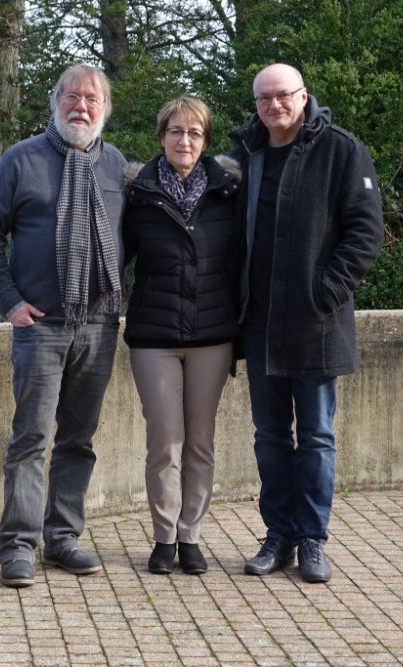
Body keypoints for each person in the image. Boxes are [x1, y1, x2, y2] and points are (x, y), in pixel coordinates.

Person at [0, 64, 127, 588]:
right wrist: (10, 302)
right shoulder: (22, 160)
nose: (81, 107)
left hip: (100, 325)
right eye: (72, 98)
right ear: (55, 102)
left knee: (78, 439)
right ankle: (18, 545)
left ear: (104, 110)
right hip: (40, 327)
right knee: (31, 437)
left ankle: (62, 538)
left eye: (92, 100)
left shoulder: (117, 166)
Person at [230, 64, 385, 583]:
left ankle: (313, 538)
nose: (273, 106)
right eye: (263, 99)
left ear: (303, 96)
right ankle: (279, 537)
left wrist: (326, 291)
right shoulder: (246, 153)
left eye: (283, 96)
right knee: (270, 436)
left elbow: (365, 233)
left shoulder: (342, 149)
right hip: (259, 322)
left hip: (315, 322)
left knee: (316, 437)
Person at [122, 97, 242, 575]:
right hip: (154, 336)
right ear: (161, 137)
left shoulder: (229, 193)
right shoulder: (139, 193)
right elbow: (113, 256)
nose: (184, 141)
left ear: (206, 140)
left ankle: (191, 535)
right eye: (175, 131)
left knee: (200, 442)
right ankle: (163, 536)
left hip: (213, 335)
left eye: (194, 133)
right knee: (165, 440)